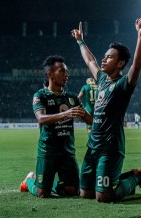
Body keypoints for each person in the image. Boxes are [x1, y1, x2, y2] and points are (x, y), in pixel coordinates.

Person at [71, 11, 141, 202]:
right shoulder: (101, 79)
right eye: (105, 56)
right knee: (85, 193)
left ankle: (140, 176)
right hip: (93, 146)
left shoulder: (124, 85)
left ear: (120, 63)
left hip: (110, 148)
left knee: (103, 197)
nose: (104, 59)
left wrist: (140, 36)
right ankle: (123, 177)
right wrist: (81, 41)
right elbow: (89, 60)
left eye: (109, 57)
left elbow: (137, 66)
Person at [20, 55, 92, 198]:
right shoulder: (41, 95)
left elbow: (90, 121)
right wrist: (66, 114)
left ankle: (55, 184)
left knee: (73, 192)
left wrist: (84, 115)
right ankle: (29, 181)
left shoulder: (72, 97)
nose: (67, 75)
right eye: (62, 71)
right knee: (42, 194)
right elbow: (41, 119)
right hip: (48, 150)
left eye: (67, 71)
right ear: (50, 74)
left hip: (67, 151)